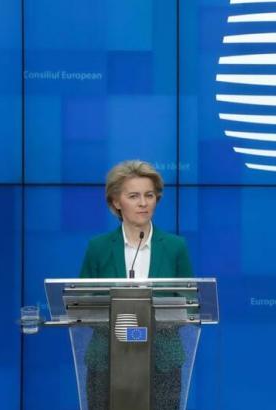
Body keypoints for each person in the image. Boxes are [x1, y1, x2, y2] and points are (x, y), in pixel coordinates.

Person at [80, 160, 193, 410]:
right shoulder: (98, 248)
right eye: (134, 196)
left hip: (162, 361)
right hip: (106, 359)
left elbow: (192, 305)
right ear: (116, 202)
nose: (143, 203)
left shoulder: (175, 247)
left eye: (149, 195)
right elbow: (82, 306)